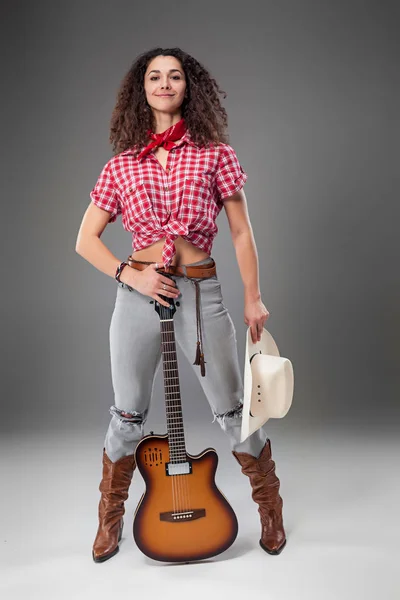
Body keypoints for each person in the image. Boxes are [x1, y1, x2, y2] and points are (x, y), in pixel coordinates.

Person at [75, 47, 286, 563]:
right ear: (140, 89)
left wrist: (253, 297)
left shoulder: (216, 153)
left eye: (174, 76)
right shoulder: (122, 165)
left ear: (188, 87)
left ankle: (270, 508)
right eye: (154, 76)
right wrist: (134, 276)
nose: (164, 83)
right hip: (137, 296)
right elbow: (86, 240)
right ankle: (110, 518)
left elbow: (240, 233)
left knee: (234, 411)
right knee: (127, 414)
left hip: (199, 289)